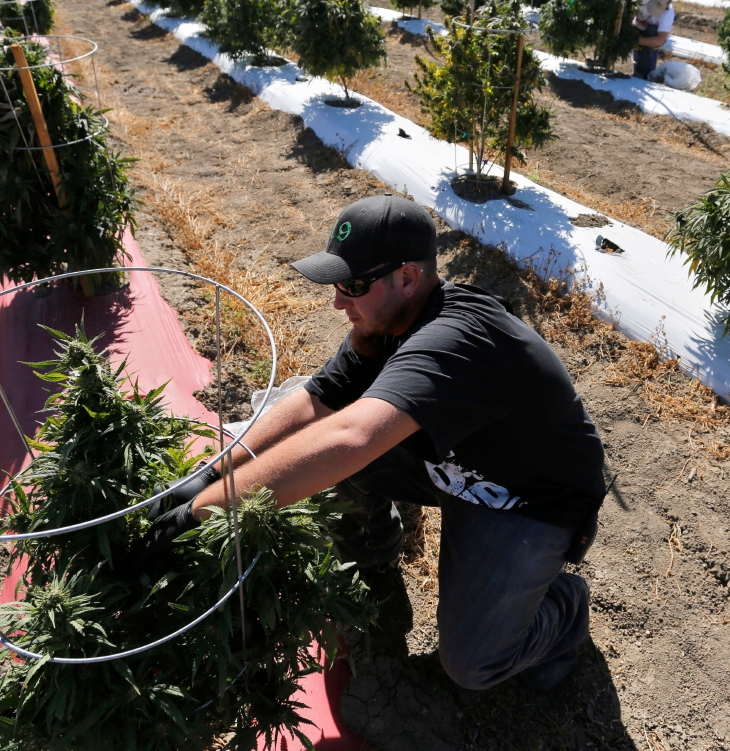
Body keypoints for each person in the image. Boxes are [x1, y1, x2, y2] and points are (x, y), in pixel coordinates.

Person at [137, 193, 607, 692]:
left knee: (472, 664)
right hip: (454, 466)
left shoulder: (458, 338)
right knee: (310, 427)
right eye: (337, 284)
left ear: (406, 277)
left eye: (353, 285)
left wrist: (201, 514)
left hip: (522, 501)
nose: (338, 301)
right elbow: (317, 398)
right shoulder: (387, 320)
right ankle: (374, 553)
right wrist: (213, 475)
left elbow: (351, 437)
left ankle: (564, 607)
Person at [632, 0, 675, 80]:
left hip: (650, 35)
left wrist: (635, 40)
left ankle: (641, 73)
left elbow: (660, 40)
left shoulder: (668, 13)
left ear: (666, 7)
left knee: (652, 31)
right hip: (635, 28)